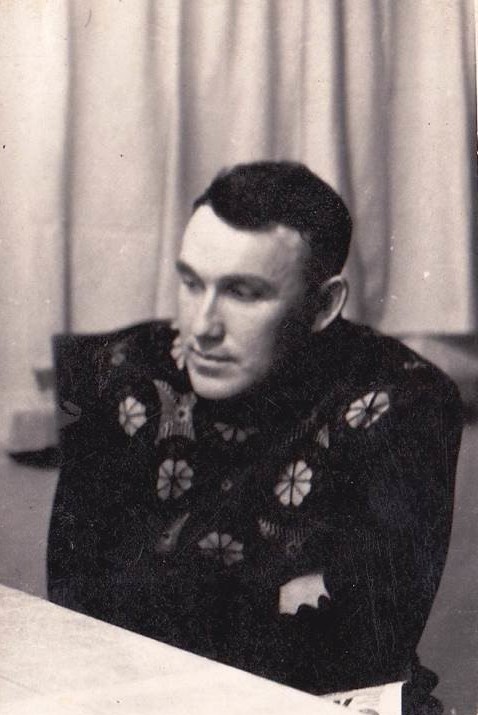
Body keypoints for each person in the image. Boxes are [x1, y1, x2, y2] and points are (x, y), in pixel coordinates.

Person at [48, 162, 463, 709]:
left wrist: (166, 591)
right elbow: (79, 615)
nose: (202, 327)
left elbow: (368, 650)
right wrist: (281, 595)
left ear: (323, 305)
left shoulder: (403, 400)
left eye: (243, 293)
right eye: (191, 283)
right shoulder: (118, 374)